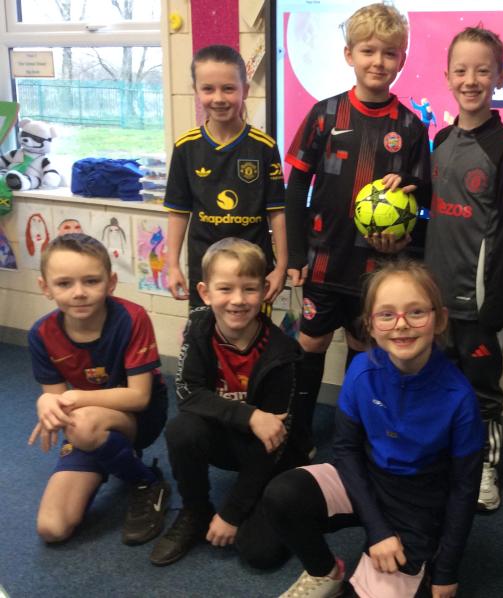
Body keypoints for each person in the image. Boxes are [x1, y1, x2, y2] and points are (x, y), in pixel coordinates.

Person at [248, 260, 483, 598]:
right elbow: (346, 450)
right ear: (370, 325)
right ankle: (327, 573)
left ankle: (413, 563)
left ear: (440, 319)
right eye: (387, 314)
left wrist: (447, 571)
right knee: (282, 497)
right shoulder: (361, 371)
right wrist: (377, 530)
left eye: (416, 312)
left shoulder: (459, 397)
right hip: (365, 480)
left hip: (417, 503)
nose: (401, 325)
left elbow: (464, 489)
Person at [284, 3, 431, 453]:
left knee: (364, 349)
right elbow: (296, 186)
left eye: (389, 53)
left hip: (376, 267)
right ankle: (299, 435)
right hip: (323, 259)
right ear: (349, 55)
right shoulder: (325, 115)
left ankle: (351, 438)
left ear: (401, 60)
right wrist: (295, 256)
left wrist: (405, 224)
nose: (378, 62)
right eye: (368, 51)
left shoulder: (410, 126)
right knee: (310, 343)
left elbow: (424, 196)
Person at [149, 238, 309, 566]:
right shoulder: (198, 328)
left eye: (249, 289)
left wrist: (232, 514)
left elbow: (273, 442)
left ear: (264, 291)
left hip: (268, 451)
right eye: (225, 289)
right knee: (182, 430)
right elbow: (188, 393)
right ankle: (195, 511)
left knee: (260, 553)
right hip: (228, 434)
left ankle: (267, 505)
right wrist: (250, 416)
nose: (237, 300)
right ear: (206, 292)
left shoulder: (283, 353)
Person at [424, 27, 503, 511]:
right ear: (447, 76)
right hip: (435, 300)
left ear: (500, 77)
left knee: (481, 390)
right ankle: (446, 459)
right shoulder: (442, 139)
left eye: (483, 71)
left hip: (479, 303)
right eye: (461, 70)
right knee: (438, 384)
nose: (471, 80)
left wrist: (495, 307)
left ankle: (486, 467)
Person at [27, 233, 170, 545]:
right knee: (52, 528)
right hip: (85, 419)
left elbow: (139, 397)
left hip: (141, 416)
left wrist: (73, 398)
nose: (79, 293)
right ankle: (109, 451)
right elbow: (56, 399)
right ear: (45, 287)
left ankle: (147, 482)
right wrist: (46, 403)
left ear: (111, 282)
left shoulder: (132, 318)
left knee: (82, 424)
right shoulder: (41, 333)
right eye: (64, 283)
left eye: (91, 281)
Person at [164, 44, 288, 309]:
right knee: (204, 330)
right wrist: (172, 265)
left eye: (229, 88)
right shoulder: (186, 147)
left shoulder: (264, 147)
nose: (218, 98)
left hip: (254, 268)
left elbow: (277, 212)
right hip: (205, 267)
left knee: (253, 331)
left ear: (246, 90)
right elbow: (178, 212)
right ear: (196, 91)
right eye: (208, 89)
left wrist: (282, 267)